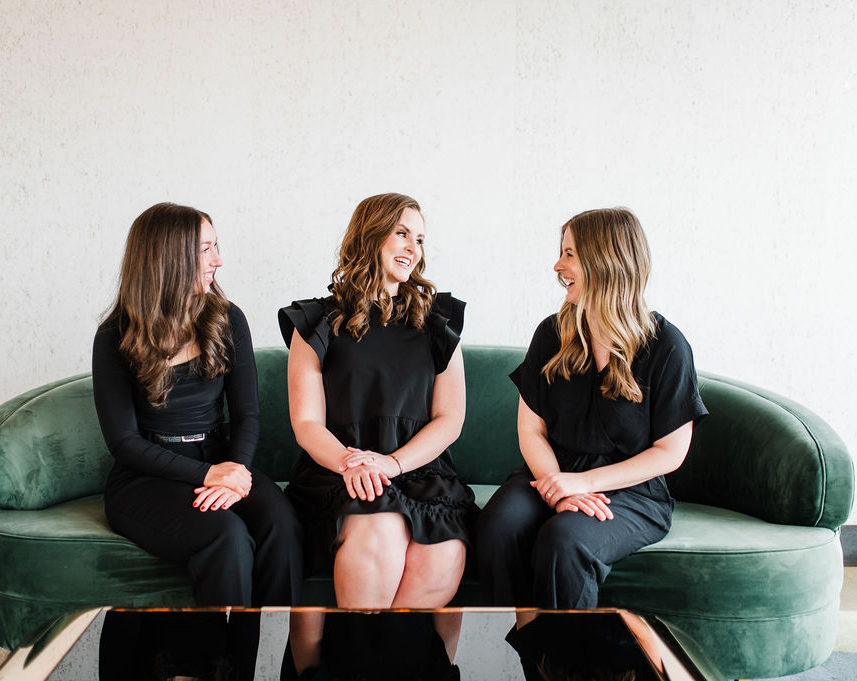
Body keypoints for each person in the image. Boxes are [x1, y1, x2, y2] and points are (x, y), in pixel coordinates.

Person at [92, 202, 303, 680]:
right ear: (169, 257)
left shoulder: (228, 319)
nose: (218, 260)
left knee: (281, 524)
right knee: (226, 536)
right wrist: (207, 475)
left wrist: (235, 472)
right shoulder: (116, 335)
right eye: (206, 249)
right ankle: (209, 666)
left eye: (215, 247)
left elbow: (248, 414)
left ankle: (255, 662)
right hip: (147, 475)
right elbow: (123, 441)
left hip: (221, 460)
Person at [278, 193, 478, 677]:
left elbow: (449, 419)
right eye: (402, 233)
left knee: (443, 552)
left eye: (420, 238)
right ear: (371, 235)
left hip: (421, 471)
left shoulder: (439, 323)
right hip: (339, 472)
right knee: (382, 529)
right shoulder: (316, 322)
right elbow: (307, 424)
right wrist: (355, 464)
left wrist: (391, 464)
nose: (413, 247)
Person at [477, 207, 708, 626]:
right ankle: (524, 648)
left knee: (564, 541)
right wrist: (558, 487)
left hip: (632, 492)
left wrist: (583, 484)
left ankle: (567, 663)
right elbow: (531, 429)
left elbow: (670, 452)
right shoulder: (552, 333)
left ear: (607, 261)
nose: (557, 265)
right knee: (499, 525)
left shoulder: (667, 346)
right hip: (550, 475)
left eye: (570, 254)